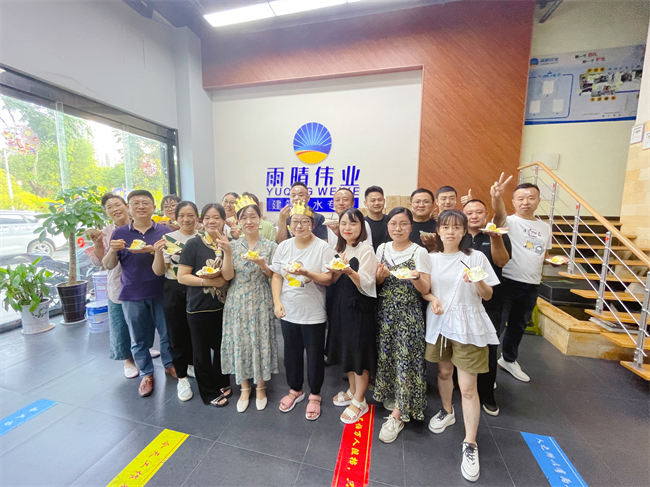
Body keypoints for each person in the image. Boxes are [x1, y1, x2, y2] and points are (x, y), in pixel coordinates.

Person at [423, 209, 500, 483]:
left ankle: (470, 442)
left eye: (457, 227)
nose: (451, 232)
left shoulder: (476, 257)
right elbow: (425, 289)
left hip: (469, 326)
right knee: (444, 373)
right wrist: (432, 298)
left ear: (464, 231)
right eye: (446, 227)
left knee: (468, 388)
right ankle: (447, 411)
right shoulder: (431, 258)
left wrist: (478, 280)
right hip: (440, 322)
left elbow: (488, 294)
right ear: (438, 231)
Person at [103, 190, 175, 398]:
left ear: (153, 207)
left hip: (161, 291)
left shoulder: (164, 231)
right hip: (132, 292)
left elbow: (171, 261)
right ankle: (146, 373)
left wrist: (155, 250)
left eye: (145, 203)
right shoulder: (120, 233)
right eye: (136, 203)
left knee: (167, 333)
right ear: (129, 208)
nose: (141, 206)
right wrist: (112, 250)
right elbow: (109, 265)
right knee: (138, 337)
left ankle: (169, 364)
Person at [271, 202, 335, 420]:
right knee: (291, 353)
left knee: (315, 355)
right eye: (295, 221)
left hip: (313, 311)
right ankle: (295, 390)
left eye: (304, 221)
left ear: (312, 224)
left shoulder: (322, 247)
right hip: (289, 309)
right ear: (289, 225)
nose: (299, 225)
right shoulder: (284, 246)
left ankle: (315, 394)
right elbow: (277, 275)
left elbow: (328, 278)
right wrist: (277, 302)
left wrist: (308, 273)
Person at [374, 207, 431, 443]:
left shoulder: (420, 252)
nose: (398, 228)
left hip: (409, 314)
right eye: (393, 224)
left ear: (411, 227)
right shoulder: (382, 249)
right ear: (387, 226)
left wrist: (416, 277)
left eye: (403, 224)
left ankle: (399, 413)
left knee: (406, 361)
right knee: (387, 356)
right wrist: (380, 276)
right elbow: (377, 282)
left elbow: (426, 289)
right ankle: (392, 395)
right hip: (385, 312)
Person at [221, 195, 279, 413]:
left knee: (260, 340)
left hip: (261, 297)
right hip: (237, 299)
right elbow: (228, 276)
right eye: (243, 218)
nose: (249, 221)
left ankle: (261, 386)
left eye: (252, 216)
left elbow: (274, 276)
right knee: (240, 341)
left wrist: (263, 264)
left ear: (260, 218)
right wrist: (227, 253)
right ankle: (244, 387)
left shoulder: (271, 246)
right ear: (238, 221)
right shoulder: (233, 245)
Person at [492, 176, 552, 382]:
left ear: (538, 200)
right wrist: (496, 197)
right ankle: (487, 370)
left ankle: (508, 359)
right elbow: (498, 214)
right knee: (497, 326)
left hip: (532, 284)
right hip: (507, 281)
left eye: (531, 198)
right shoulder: (509, 221)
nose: (526, 202)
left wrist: (553, 262)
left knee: (519, 326)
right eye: (521, 198)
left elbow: (542, 254)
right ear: (514, 202)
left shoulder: (545, 227)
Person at [177, 204, 233, 407]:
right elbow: (182, 276)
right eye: (207, 218)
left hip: (224, 305)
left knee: (221, 347)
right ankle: (208, 391)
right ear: (202, 221)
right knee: (200, 351)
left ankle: (221, 380)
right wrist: (208, 282)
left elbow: (229, 275)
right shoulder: (193, 244)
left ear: (224, 220)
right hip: (199, 306)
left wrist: (227, 253)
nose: (212, 221)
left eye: (216, 217)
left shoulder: (229, 244)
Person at [463, 199, 511, 416]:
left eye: (478, 212)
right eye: (469, 212)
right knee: (462, 343)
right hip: (463, 300)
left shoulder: (497, 235)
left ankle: (487, 393)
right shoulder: (459, 236)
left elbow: (501, 262)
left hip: (490, 300)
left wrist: (495, 239)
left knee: (488, 347)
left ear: (486, 215)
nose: (474, 216)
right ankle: (462, 386)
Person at [329, 209, 377, 423]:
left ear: (362, 227)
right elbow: (333, 278)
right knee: (346, 349)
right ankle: (352, 390)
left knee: (359, 353)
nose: (347, 228)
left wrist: (348, 270)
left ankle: (360, 400)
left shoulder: (366, 250)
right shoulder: (340, 248)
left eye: (353, 223)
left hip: (359, 307)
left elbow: (368, 283)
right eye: (344, 224)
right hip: (341, 305)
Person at [152, 201, 199, 403]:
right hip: (174, 288)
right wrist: (157, 253)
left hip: (198, 288)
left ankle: (193, 365)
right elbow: (159, 271)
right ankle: (182, 378)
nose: (186, 219)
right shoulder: (168, 239)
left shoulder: (203, 237)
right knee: (176, 333)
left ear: (197, 217)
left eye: (190, 215)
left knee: (197, 332)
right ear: (176, 218)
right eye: (182, 216)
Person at [88, 193, 138, 378]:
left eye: (117, 204)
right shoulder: (105, 233)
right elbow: (98, 262)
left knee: (143, 319)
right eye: (109, 207)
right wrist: (97, 244)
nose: (115, 209)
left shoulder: (140, 225)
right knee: (120, 321)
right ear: (105, 212)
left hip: (142, 280)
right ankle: (128, 359)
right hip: (118, 281)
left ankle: (142, 348)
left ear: (126, 206)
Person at [364, 185, 391, 252]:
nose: (377, 203)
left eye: (380, 200)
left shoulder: (391, 221)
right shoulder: (362, 224)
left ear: (384, 201)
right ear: (365, 203)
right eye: (373, 200)